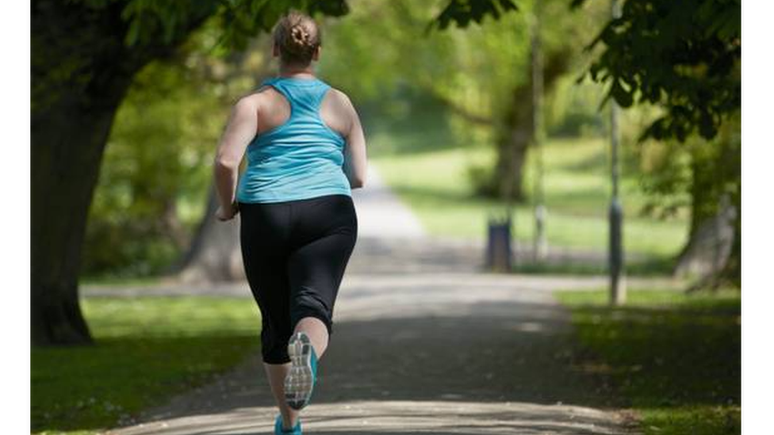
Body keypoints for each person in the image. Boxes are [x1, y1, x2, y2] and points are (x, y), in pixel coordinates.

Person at [213, 10, 367, 435]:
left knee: (276, 323)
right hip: (328, 213)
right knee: (313, 307)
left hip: (266, 213)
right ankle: (309, 356)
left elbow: (227, 161)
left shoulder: (254, 104)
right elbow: (359, 176)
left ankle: (290, 423)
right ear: (316, 53)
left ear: (275, 50)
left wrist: (228, 208)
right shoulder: (339, 102)